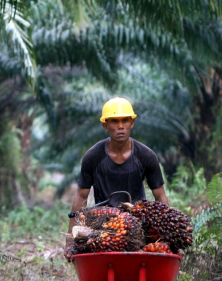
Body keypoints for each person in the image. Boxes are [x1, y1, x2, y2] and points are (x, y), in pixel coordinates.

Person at [63, 97, 169, 261]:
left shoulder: (146, 156)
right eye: (114, 121)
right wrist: (70, 240)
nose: (120, 126)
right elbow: (81, 197)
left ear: (132, 123)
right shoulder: (93, 156)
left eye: (125, 120)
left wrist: (168, 238)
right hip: (103, 225)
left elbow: (160, 196)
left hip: (137, 224)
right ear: (105, 126)